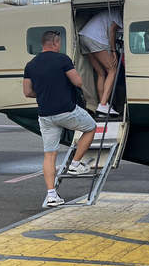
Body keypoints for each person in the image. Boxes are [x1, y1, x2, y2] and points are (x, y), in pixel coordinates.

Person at [23, 30, 97, 207]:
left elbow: (27, 92)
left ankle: (51, 195)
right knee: (91, 127)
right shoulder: (62, 59)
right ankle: (75, 164)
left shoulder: (30, 65)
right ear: (55, 43)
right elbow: (78, 82)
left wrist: (45, 92)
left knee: (49, 155)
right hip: (66, 111)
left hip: (45, 115)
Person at [79, 8, 123, 116]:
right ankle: (103, 104)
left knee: (101, 73)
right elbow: (111, 31)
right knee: (112, 70)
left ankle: (102, 106)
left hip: (84, 37)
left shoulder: (111, 12)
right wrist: (113, 51)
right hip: (96, 38)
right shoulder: (120, 14)